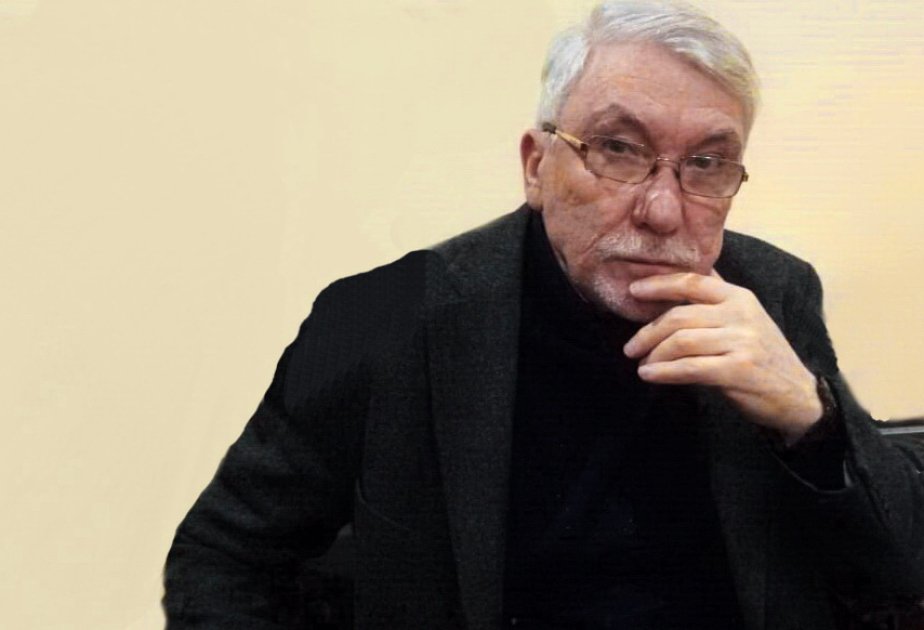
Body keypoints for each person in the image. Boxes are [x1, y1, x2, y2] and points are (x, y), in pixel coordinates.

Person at [163, 1, 924, 628]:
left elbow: (901, 569)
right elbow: (223, 561)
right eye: (619, 149)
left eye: (706, 164)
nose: (663, 211)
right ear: (536, 165)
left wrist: (812, 422)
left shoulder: (772, 294)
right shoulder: (388, 318)